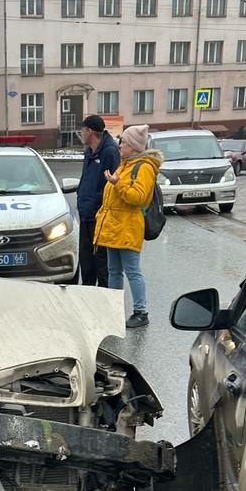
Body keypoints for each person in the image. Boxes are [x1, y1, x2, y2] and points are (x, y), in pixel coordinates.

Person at [93, 123, 162, 330]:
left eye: (123, 142)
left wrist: (118, 183)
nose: (120, 145)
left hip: (129, 226)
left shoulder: (144, 167)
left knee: (132, 270)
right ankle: (114, 310)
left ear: (132, 146)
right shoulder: (125, 164)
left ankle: (141, 312)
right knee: (114, 270)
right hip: (114, 227)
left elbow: (138, 197)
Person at [76, 113, 120, 286]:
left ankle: (104, 295)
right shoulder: (89, 151)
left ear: (90, 131)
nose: (81, 134)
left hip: (100, 217)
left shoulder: (110, 151)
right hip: (86, 215)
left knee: (101, 261)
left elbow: (113, 184)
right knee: (86, 261)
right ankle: (88, 293)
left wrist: (96, 201)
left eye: (82, 130)